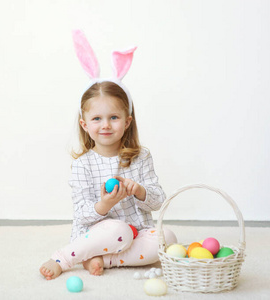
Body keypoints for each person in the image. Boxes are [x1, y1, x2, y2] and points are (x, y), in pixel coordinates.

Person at [39, 30, 177, 280]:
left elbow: (158, 201)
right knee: (118, 229)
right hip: (100, 233)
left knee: (167, 238)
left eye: (114, 117)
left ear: (127, 121)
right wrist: (105, 204)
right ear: (84, 125)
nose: (105, 125)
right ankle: (64, 257)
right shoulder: (83, 165)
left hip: (137, 232)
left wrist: (139, 191)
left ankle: (105, 260)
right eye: (97, 119)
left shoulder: (141, 157)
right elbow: (81, 213)